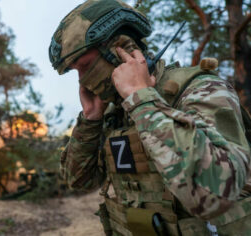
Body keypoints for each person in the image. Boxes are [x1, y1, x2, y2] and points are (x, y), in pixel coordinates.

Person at [49, 0, 251, 235]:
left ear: (120, 51)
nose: (82, 81)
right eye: (76, 72)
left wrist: (141, 98)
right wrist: (91, 119)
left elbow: (216, 192)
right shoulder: (113, 112)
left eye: (85, 66)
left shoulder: (201, 90)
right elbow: (78, 181)